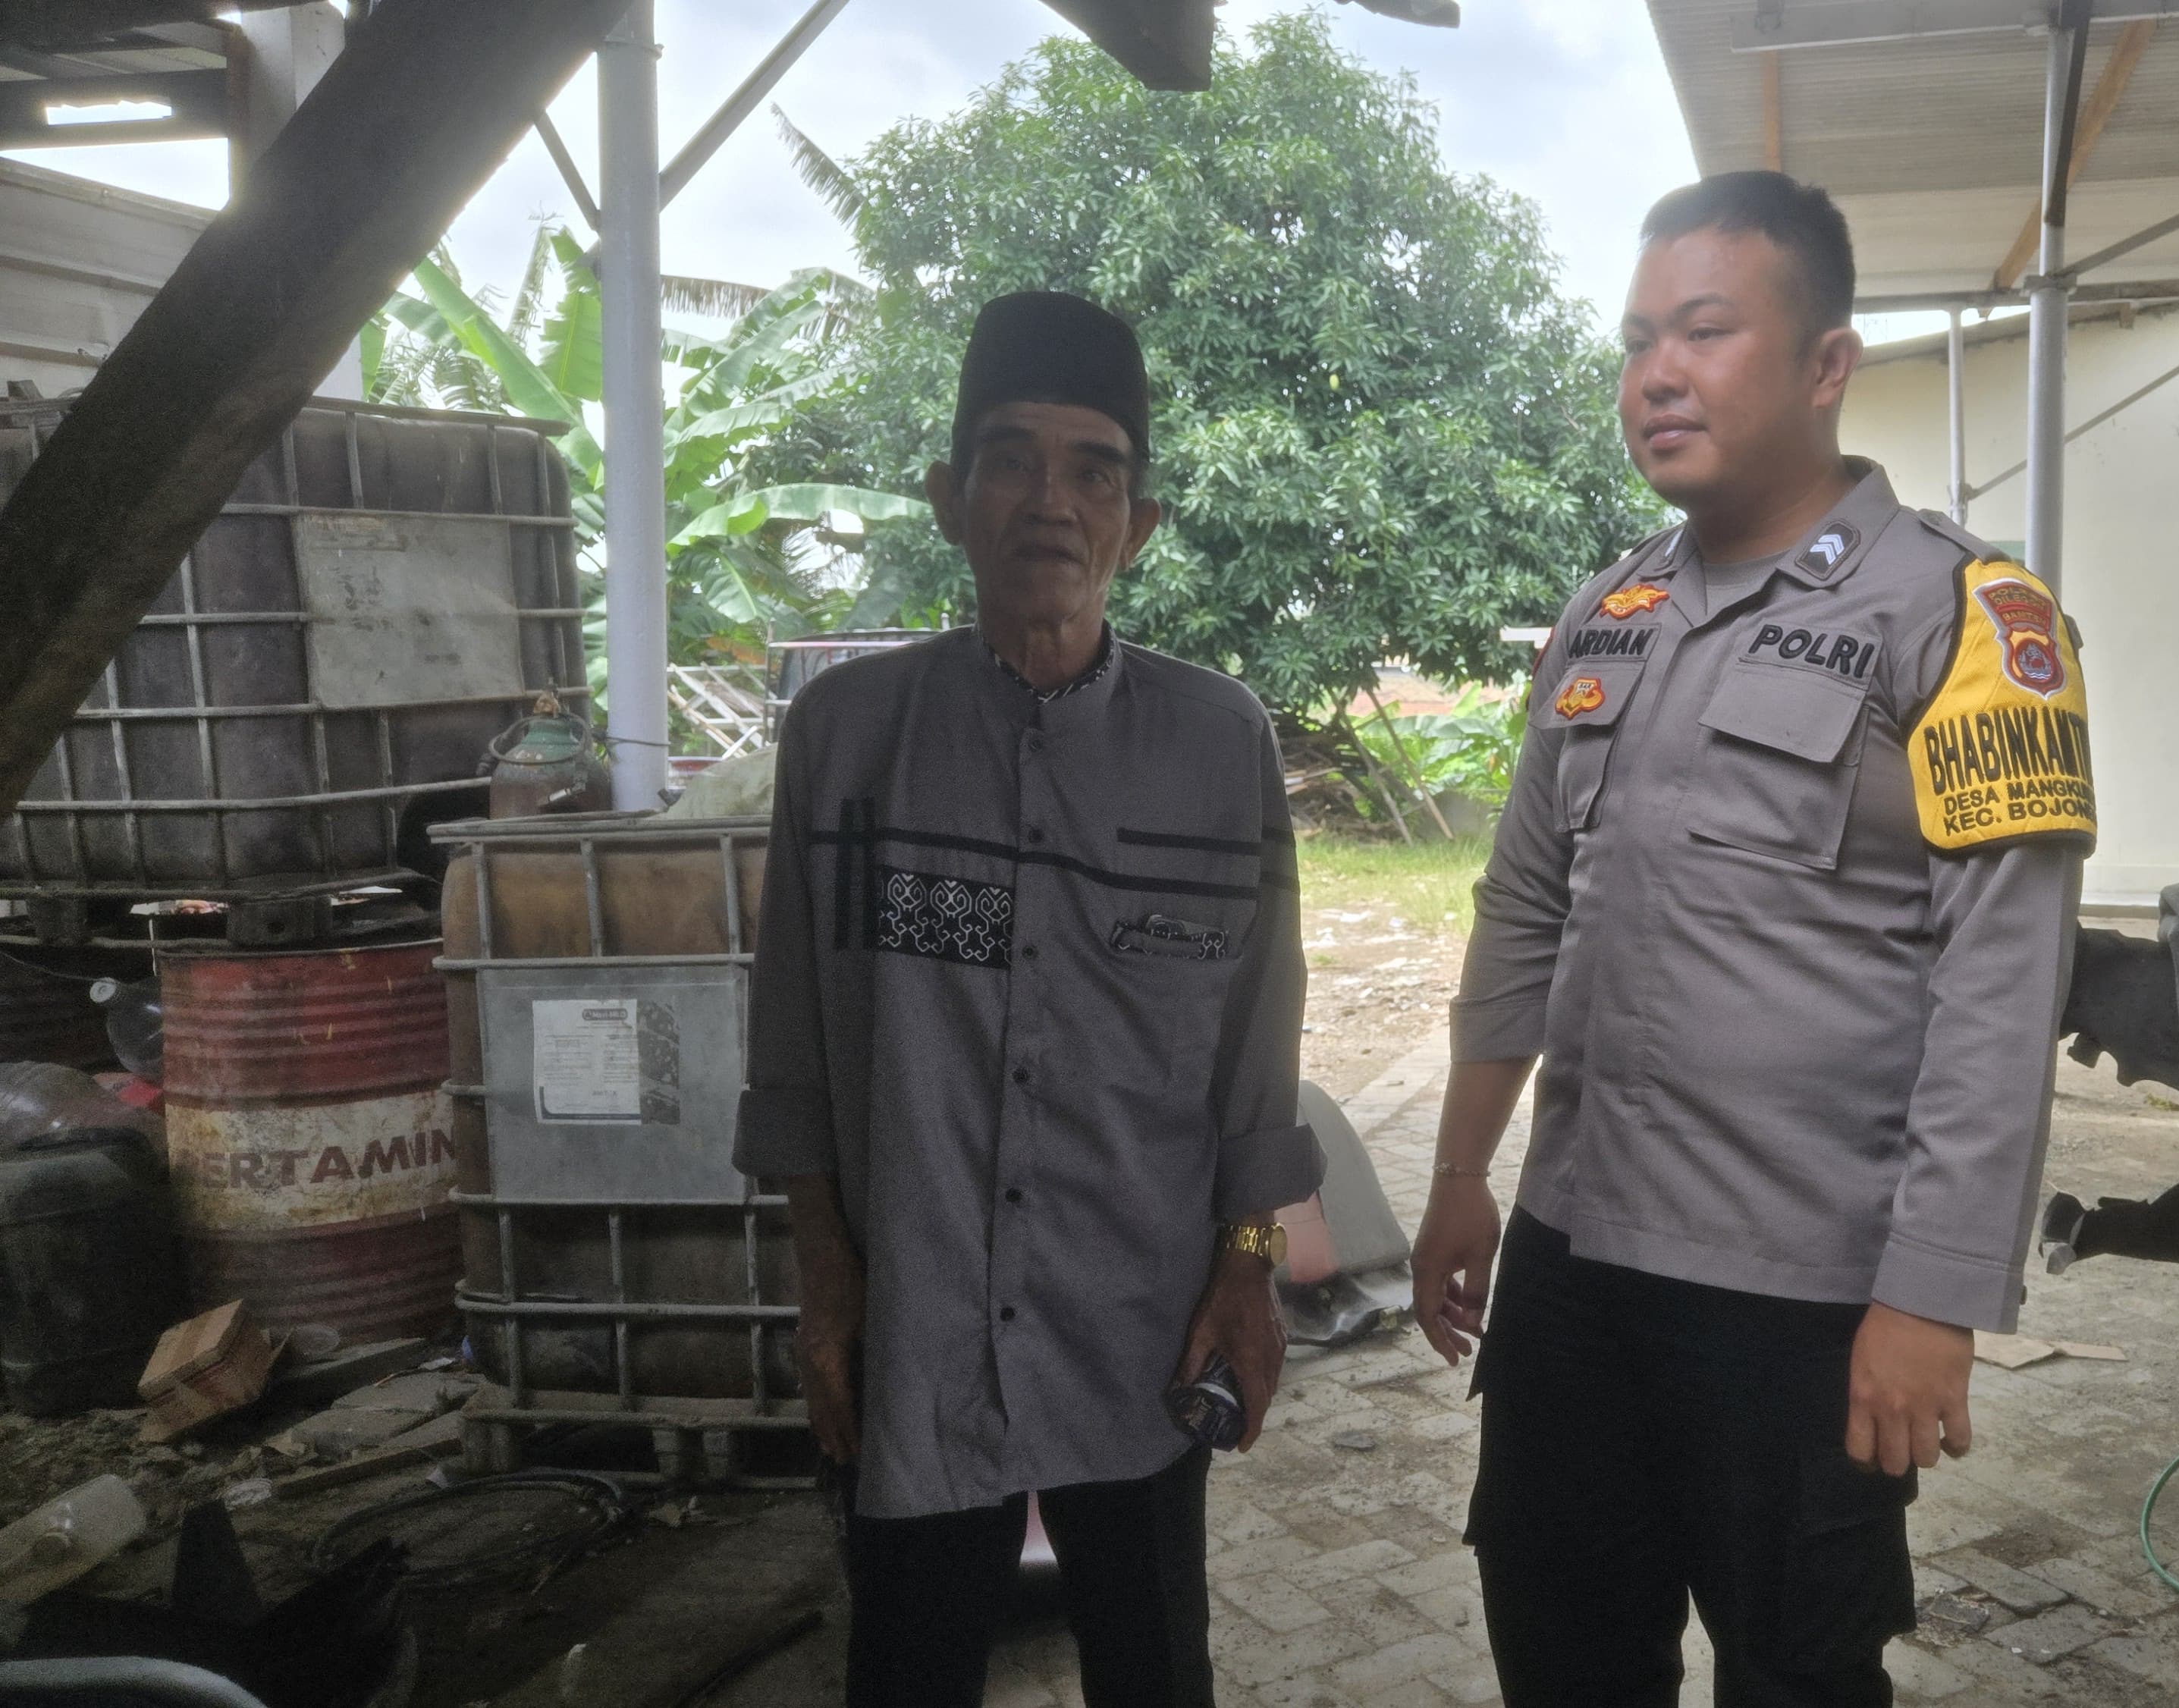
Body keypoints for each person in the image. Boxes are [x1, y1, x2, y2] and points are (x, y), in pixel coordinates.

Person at [1409, 171, 2096, 1708]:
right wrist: (1460, 1174)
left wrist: (1931, 1297)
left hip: (1798, 1297)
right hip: (1574, 1265)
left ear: (1825, 362)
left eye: (1704, 332)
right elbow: (1523, 908)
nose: (1656, 374)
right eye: (1636, 340)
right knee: (1559, 1646)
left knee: (1798, 1671)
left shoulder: (1966, 621)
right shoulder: (1606, 615)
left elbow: (2000, 985)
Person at [733, 290, 1320, 1708]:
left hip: (1143, 1328)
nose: (1051, 500)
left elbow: (1258, 1048)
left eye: (1093, 471)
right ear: (950, 498)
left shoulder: (1220, 748)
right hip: (921, 1325)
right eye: (1011, 459)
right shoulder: (849, 743)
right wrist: (828, 1285)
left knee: (1156, 1672)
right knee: (908, 1673)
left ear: (1140, 524)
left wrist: (1247, 1266)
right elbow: (798, 1039)